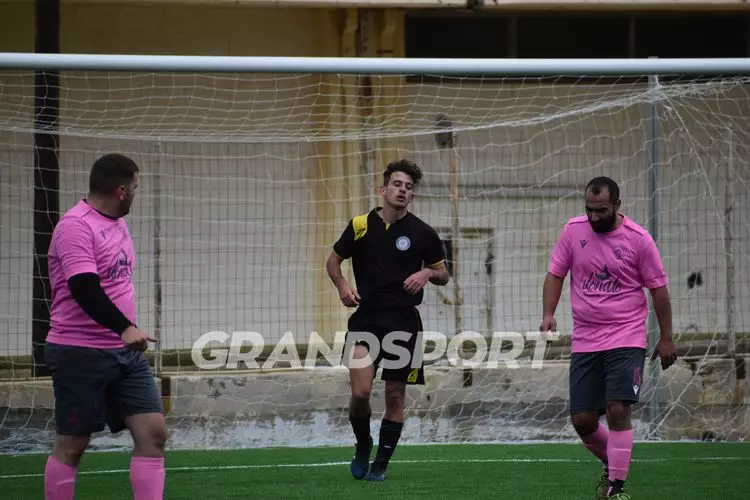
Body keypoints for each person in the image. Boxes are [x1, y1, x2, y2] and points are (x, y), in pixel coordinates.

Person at [540, 176, 678, 500]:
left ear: (617, 205)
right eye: (589, 209)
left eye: (601, 210)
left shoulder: (639, 239)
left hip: (626, 337)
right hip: (586, 339)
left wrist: (666, 338)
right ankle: (614, 461)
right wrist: (548, 313)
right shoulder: (573, 231)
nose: (593, 216)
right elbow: (555, 274)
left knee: (617, 408)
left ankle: (616, 488)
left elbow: (658, 290)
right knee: (583, 420)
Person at [43, 153, 166, 500]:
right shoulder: (75, 226)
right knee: (73, 443)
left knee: (153, 433)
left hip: (125, 353)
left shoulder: (118, 223)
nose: (136, 194)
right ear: (121, 190)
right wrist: (125, 327)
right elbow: (84, 287)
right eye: (136, 187)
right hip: (79, 351)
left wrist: (125, 333)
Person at [326, 159, 450, 482]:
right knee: (361, 392)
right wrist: (342, 286)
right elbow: (333, 261)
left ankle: (380, 464)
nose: (402, 190)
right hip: (365, 321)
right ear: (383, 190)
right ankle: (363, 443)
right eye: (397, 184)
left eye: (408, 187)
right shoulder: (359, 225)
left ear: (412, 195)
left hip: (404, 323)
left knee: (395, 395)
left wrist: (426, 274)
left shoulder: (423, 233)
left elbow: (443, 274)